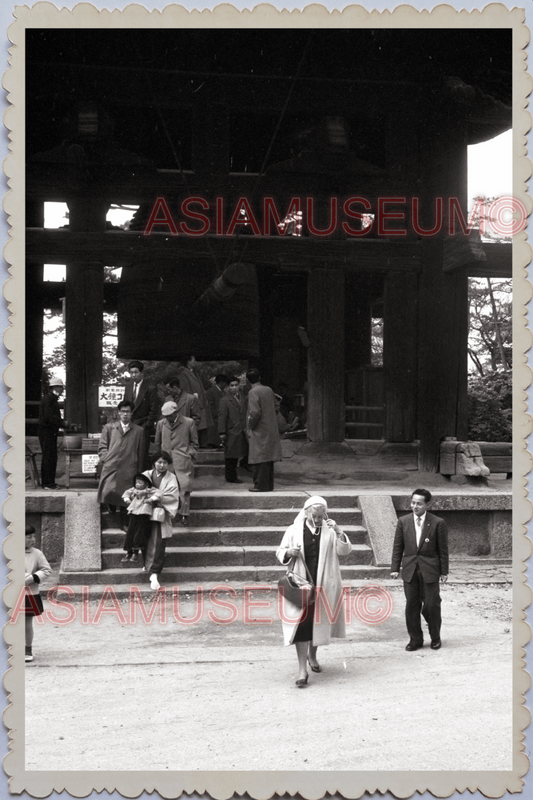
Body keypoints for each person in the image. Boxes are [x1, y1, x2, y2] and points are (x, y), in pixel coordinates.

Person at [276, 496, 352, 686]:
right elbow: (280, 551)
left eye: (321, 516)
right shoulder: (294, 530)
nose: (317, 520)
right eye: (314, 516)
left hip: (324, 584)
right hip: (300, 585)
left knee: (318, 623)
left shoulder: (330, 530)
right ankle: (302, 671)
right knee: (301, 626)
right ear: (306, 512)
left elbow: (345, 551)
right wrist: (289, 552)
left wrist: (339, 531)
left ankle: (313, 655)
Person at [391, 488, 449, 651]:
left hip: (430, 569)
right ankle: (415, 639)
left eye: (419, 503)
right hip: (410, 569)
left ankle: (435, 637)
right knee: (412, 605)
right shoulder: (404, 521)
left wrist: (444, 571)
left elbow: (443, 549)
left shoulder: (437, 522)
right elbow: (398, 546)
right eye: (413, 503)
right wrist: (395, 568)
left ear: (427, 505)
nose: (415, 506)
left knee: (431, 605)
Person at [97, 400, 145, 530]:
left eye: (128, 412)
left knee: (127, 496)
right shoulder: (109, 428)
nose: (125, 414)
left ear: (131, 413)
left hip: (129, 467)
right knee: (109, 490)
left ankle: (125, 523)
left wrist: (139, 472)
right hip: (111, 466)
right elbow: (102, 447)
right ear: (118, 413)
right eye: (123, 411)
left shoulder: (138, 431)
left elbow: (141, 452)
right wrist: (106, 458)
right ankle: (111, 507)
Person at [141, 451, 180, 591]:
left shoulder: (171, 478)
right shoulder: (146, 475)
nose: (162, 465)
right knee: (144, 539)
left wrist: (155, 496)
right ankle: (146, 564)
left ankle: (155, 573)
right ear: (154, 463)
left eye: (164, 462)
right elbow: (138, 489)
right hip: (144, 512)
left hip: (160, 514)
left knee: (158, 542)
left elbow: (172, 495)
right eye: (159, 462)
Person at [155, 401, 198, 526]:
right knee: (165, 488)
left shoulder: (188, 422)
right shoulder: (161, 424)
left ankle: (184, 514)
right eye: (165, 416)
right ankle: (168, 513)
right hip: (166, 461)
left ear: (176, 412)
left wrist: (189, 454)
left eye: (170, 415)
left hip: (183, 460)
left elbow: (195, 443)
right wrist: (158, 460)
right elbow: (157, 443)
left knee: (184, 489)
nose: (167, 418)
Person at [246, 368, 282, 492]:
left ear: (247, 380)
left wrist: (250, 425)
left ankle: (260, 485)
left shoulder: (253, 392)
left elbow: (255, 412)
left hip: (259, 427)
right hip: (270, 426)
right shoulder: (268, 390)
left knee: (259, 456)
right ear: (260, 377)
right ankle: (269, 484)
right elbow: (277, 404)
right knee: (268, 457)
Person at [123, 360, 160, 470]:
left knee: (142, 453)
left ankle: (142, 477)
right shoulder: (128, 386)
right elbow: (126, 404)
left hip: (144, 423)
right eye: (131, 372)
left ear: (141, 372)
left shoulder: (150, 387)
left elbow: (154, 408)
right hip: (130, 423)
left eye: (136, 372)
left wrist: (148, 424)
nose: (133, 375)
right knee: (129, 451)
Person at [24, 524, 53, 662]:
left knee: (26, 622)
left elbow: (47, 570)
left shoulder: (36, 553)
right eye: (29, 537)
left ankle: (27, 648)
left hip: (29, 593)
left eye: (33, 536)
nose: (33, 539)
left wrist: (33, 577)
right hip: (9, 593)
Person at [175, 354, 213, 448]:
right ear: (188, 361)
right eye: (193, 360)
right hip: (194, 402)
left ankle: (203, 444)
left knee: (203, 425)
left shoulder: (195, 372)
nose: (195, 362)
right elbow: (185, 388)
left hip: (201, 402)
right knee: (196, 425)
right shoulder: (183, 373)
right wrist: (192, 396)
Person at [38, 377, 67, 489]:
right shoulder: (50, 399)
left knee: (49, 456)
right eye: (60, 387)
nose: (62, 389)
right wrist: (63, 423)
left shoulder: (49, 398)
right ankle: (48, 483)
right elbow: (49, 417)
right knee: (49, 457)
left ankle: (47, 482)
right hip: (47, 431)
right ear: (55, 387)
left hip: (48, 431)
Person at [218, 376, 249, 484]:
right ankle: (230, 476)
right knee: (231, 455)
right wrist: (222, 432)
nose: (234, 387)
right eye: (232, 385)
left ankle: (242, 466)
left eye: (236, 385)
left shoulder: (242, 397)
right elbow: (222, 417)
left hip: (242, 428)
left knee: (242, 452)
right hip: (231, 430)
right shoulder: (225, 400)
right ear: (228, 387)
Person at [121, 473, 154, 565]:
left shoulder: (149, 490)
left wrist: (151, 499)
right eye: (136, 483)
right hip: (133, 512)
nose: (137, 485)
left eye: (140, 483)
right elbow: (126, 493)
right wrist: (127, 499)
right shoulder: (133, 490)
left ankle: (135, 552)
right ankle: (128, 552)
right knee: (130, 532)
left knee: (139, 533)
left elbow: (159, 494)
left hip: (143, 513)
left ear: (146, 484)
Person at [206, 374, 229, 447]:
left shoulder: (223, 392)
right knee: (213, 440)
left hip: (221, 417)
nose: (226, 385)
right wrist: (218, 414)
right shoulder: (210, 392)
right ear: (221, 383)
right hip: (214, 419)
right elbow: (210, 406)